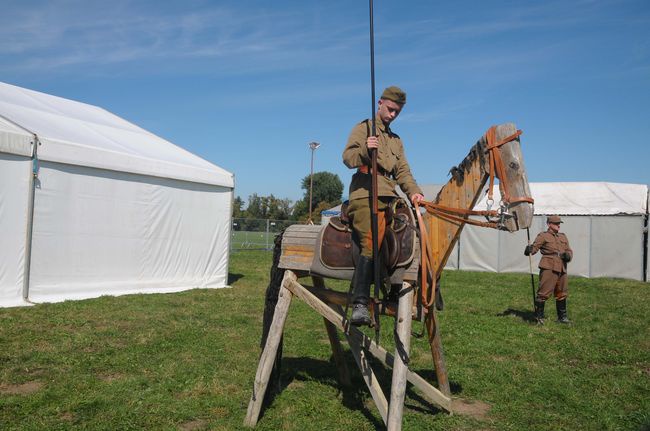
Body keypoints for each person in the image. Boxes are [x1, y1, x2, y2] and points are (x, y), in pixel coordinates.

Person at [342, 86, 425, 326]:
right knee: (373, 235)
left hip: (389, 195)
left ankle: (395, 288)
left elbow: (403, 172)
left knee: (410, 230)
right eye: (389, 109)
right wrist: (367, 152)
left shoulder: (396, 141)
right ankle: (359, 303)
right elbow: (347, 158)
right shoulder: (364, 128)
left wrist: (415, 193)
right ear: (380, 103)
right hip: (364, 193)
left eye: (397, 112)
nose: (392, 115)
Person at [524, 215, 573, 324]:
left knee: (562, 292)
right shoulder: (543, 236)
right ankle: (539, 317)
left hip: (562, 267)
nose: (558, 225)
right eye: (556, 223)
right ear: (549, 224)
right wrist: (529, 249)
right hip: (549, 266)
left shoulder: (563, 236)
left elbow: (569, 250)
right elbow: (535, 247)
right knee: (543, 292)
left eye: (559, 223)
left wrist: (568, 256)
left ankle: (562, 318)